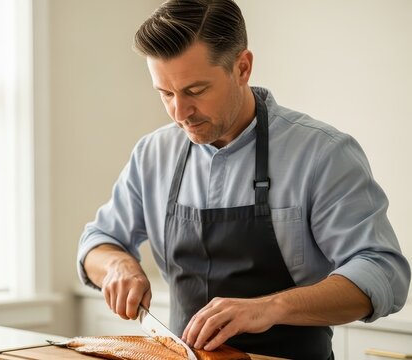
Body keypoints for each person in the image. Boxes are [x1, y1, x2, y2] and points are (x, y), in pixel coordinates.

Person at [76, 0, 410, 358]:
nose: (180, 113)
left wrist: (270, 308)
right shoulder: (153, 154)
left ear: (242, 67)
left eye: (195, 91)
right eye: (166, 94)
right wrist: (118, 265)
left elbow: (383, 272)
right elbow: (99, 241)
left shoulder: (321, 153)